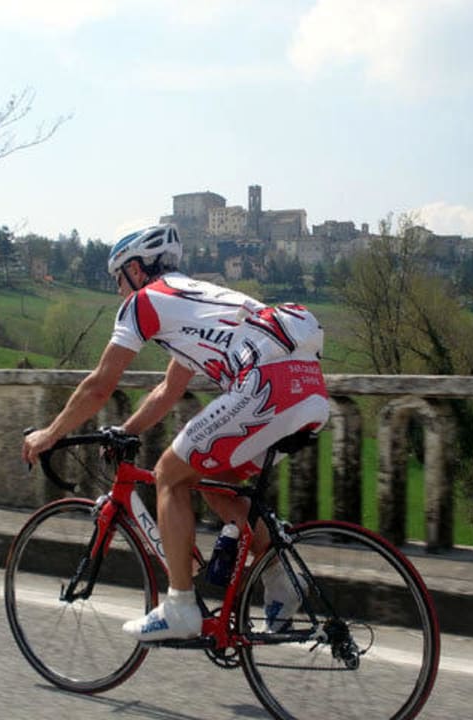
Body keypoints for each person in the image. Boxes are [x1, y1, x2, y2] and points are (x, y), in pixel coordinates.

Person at [21, 223, 330, 641]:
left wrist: (50, 434)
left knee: (168, 474)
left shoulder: (144, 302)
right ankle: (282, 579)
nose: (118, 290)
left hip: (265, 384)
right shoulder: (194, 303)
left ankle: (180, 606)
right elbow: (169, 390)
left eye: (118, 279)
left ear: (135, 269)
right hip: (308, 388)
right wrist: (126, 430)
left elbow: (99, 386)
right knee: (214, 479)